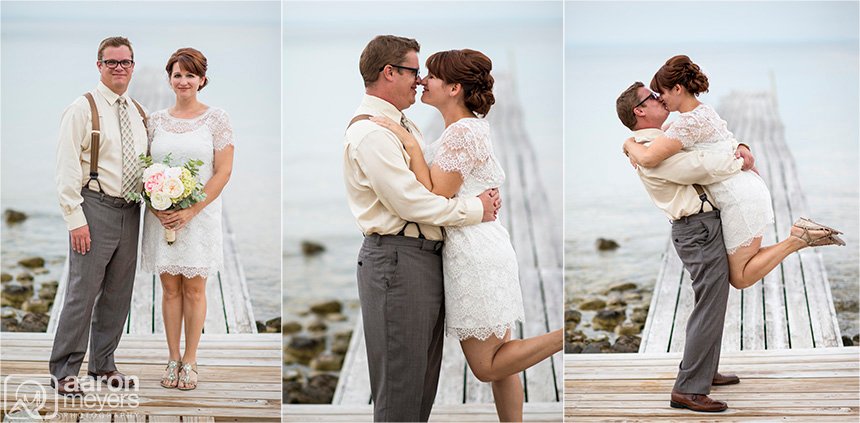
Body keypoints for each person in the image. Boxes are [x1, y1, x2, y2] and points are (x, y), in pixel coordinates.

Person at [371, 48, 563, 422]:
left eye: (431, 75)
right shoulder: (467, 128)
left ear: (455, 87)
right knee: (503, 358)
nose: (423, 80)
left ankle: (562, 337)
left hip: (473, 255)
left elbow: (436, 193)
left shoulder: (460, 132)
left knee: (487, 366)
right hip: (486, 245)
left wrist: (410, 145)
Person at [343, 35, 501, 422]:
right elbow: (411, 203)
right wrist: (475, 210)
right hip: (398, 261)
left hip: (420, 259)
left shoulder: (402, 124)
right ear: (389, 72)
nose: (419, 80)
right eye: (415, 72)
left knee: (419, 390)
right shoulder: (374, 133)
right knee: (401, 392)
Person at [623, 55, 844, 292]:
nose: (662, 100)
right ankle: (798, 238)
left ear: (677, 89)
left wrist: (628, 144)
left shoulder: (686, 124)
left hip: (739, 197)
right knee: (741, 271)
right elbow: (723, 140)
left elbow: (648, 158)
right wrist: (743, 146)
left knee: (740, 277)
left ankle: (797, 239)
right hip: (742, 190)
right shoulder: (699, 114)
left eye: (662, 93)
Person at [51, 36, 147, 396]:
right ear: (99, 66)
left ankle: (103, 364)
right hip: (94, 209)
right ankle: (64, 370)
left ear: (133, 66)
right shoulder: (82, 109)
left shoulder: (137, 111)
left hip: (131, 210)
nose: (119, 68)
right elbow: (65, 170)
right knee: (83, 291)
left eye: (125, 62)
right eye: (112, 63)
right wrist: (74, 218)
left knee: (118, 294)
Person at [140, 47, 235, 391]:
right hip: (162, 215)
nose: (183, 81)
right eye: (177, 75)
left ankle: (191, 360)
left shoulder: (216, 119)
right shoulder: (155, 121)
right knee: (169, 289)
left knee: (194, 289)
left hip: (199, 216)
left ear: (202, 80)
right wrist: (156, 206)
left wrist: (192, 209)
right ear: (169, 79)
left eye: (190, 75)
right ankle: (171, 356)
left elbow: (223, 173)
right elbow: (144, 170)